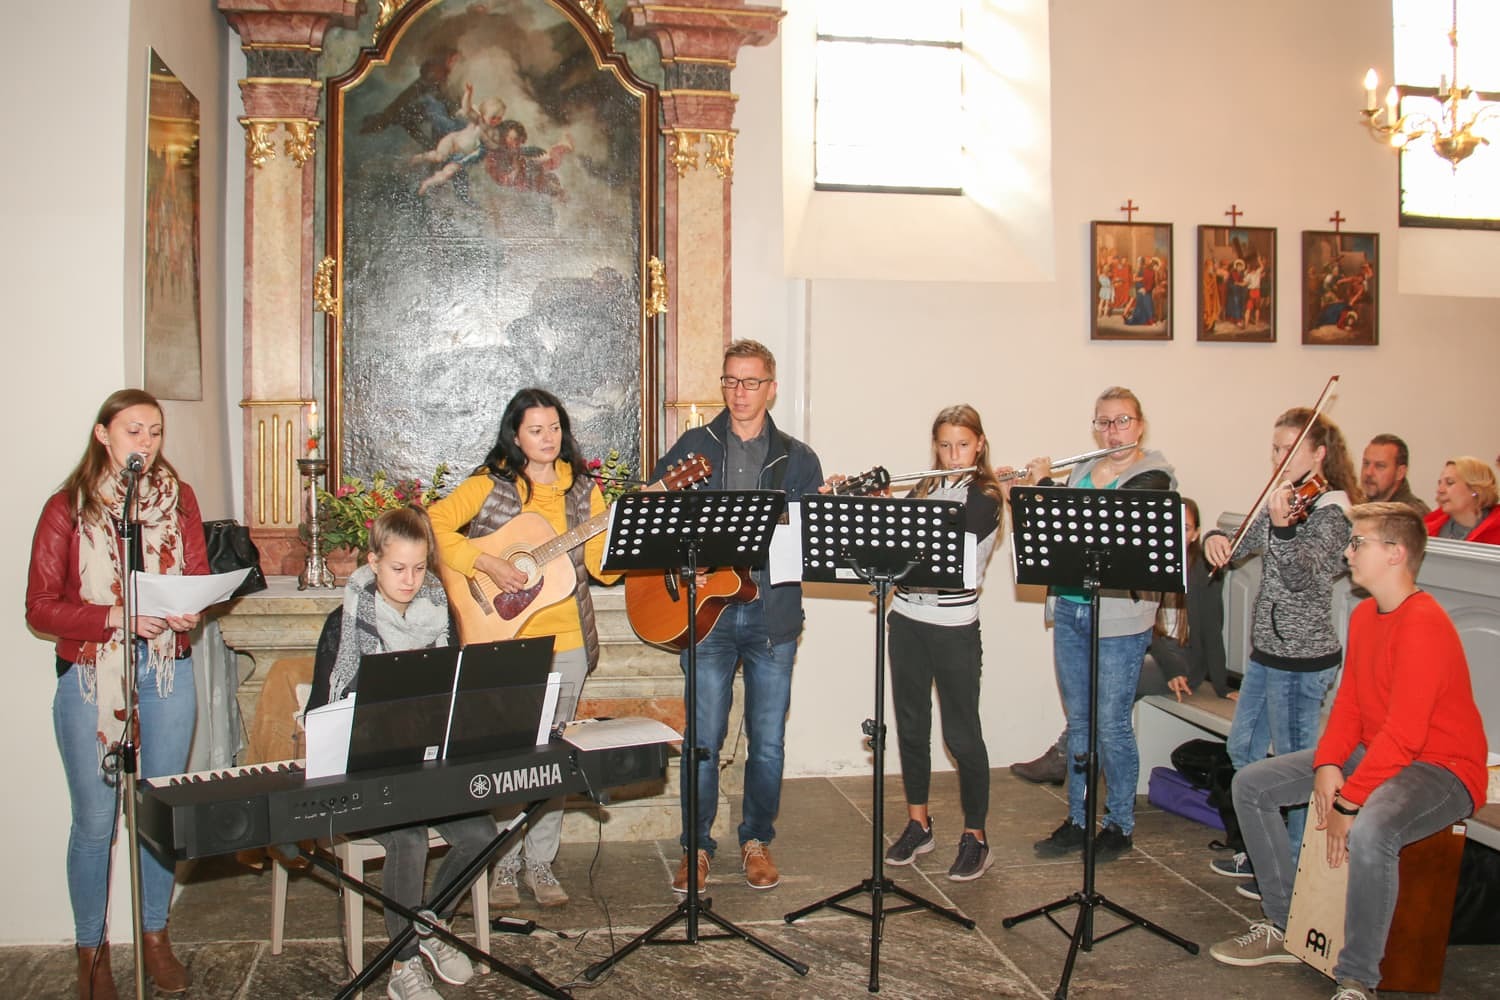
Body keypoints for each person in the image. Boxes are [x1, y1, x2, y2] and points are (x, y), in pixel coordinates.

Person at [1208, 504, 1487, 1000]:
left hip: (1444, 768)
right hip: (1383, 751)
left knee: (1374, 828)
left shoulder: (1423, 622)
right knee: (1252, 785)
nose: (1347, 552)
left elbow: (1407, 733)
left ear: (1395, 553)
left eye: (1358, 543)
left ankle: (1358, 978)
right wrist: (1328, 762)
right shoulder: (1364, 615)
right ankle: (1284, 924)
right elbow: (1350, 705)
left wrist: (1349, 800)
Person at [26, 389, 209, 1000]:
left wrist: (189, 609)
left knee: (159, 813)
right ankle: (93, 952)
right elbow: (40, 607)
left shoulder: (178, 498)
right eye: (134, 430)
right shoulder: (67, 507)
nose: (147, 443)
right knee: (95, 822)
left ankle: (155, 936)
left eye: (155, 431)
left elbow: (196, 576)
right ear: (103, 434)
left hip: (165, 669)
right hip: (90, 675)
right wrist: (114, 617)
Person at [428, 387, 619, 908]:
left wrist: (625, 531)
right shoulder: (490, 486)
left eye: (554, 428)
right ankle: (505, 864)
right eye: (536, 430)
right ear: (515, 436)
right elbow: (433, 524)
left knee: (553, 759)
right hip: (506, 640)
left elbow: (601, 568)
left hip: (569, 639)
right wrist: (486, 562)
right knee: (509, 757)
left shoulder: (584, 491)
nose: (548, 438)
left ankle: (541, 862)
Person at [653, 339, 824, 893]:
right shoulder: (693, 446)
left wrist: (813, 520)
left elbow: (808, 547)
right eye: (731, 380)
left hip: (773, 615)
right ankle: (696, 847)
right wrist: (688, 563)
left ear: (771, 388)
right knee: (702, 740)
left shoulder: (799, 459)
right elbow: (654, 521)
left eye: (751, 382)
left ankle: (756, 840)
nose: (739, 392)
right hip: (707, 617)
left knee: (767, 742)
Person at [307, 507, 492, 1000]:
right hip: (362, 773)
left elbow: (454, 694)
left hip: (424, 765)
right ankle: (403, 963)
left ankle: (428, 923)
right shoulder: (344, 623)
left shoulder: (441, 613)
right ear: (373, 562)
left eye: (419, 567)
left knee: (481, 834)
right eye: (397, 568)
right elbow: (321, 713)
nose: (410, 580)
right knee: (408, 840)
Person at [1005, 387, 1176, 860]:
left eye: (1122, 421)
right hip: (1071, 606)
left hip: (1119, 616)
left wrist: (1045, 485)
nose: (1112, 431)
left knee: (1112, 724)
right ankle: (1078, 820)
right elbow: (1053, 530)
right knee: (1079, 722)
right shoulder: (1083, 470)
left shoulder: (1154, 475)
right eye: (1103, 422)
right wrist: (1021, 496)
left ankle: (1119, 824)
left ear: (1140, 425)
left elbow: (1099, 518)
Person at [1203, 408, 1362, 889]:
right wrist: (1214, 538)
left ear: (1319, 454)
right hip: (1268, 653)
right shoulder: (1286, 498)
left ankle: (1292, 876)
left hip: (1303, 658)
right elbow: (1240, 542)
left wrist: (1285, 528)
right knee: (1243, 748)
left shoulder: (1333, 512)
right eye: (1275, 448)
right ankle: (1263, 853)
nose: (1279, 458)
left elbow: (1301, 576)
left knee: (1294, 771)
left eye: (1289, 449)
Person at [881, 406, 1004, 881]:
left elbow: (947, 536)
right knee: (911, 726)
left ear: (980, 444)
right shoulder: (925, 487)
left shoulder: (986, 495)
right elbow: (898, 542)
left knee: (961, 734)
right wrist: (877, 503)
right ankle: (919, 824)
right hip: (906, 619)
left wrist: (901, 515)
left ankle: (976, 836)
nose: (954, 455)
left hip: (954, 625)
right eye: (946, 445)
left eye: (963, 446)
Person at [1135, 498, 1231, 702]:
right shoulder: (1148, 564)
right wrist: (1169, 665)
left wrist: (1222, 687)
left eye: (1185, 528)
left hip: (1184, 658)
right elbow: (1144, 628)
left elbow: (1211, 629)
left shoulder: (1203, 569)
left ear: (1195, 534)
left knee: (1117, 676)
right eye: (1170, 526)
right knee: (1107, 671)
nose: (1176, 534)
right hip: (1153, 651)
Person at [1424, 456, 1500, 544]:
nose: (1440, 490)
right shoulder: (1426, 529)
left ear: (1475, 489)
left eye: (1450, 483)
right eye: (1439, 483)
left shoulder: (1496, 532)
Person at [1359, 434, 1428, 515]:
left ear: (1400, 472)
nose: (1368, 472)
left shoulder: (1412, 516)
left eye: (1380, 466)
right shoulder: (1357, 506)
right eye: (1366, 463)